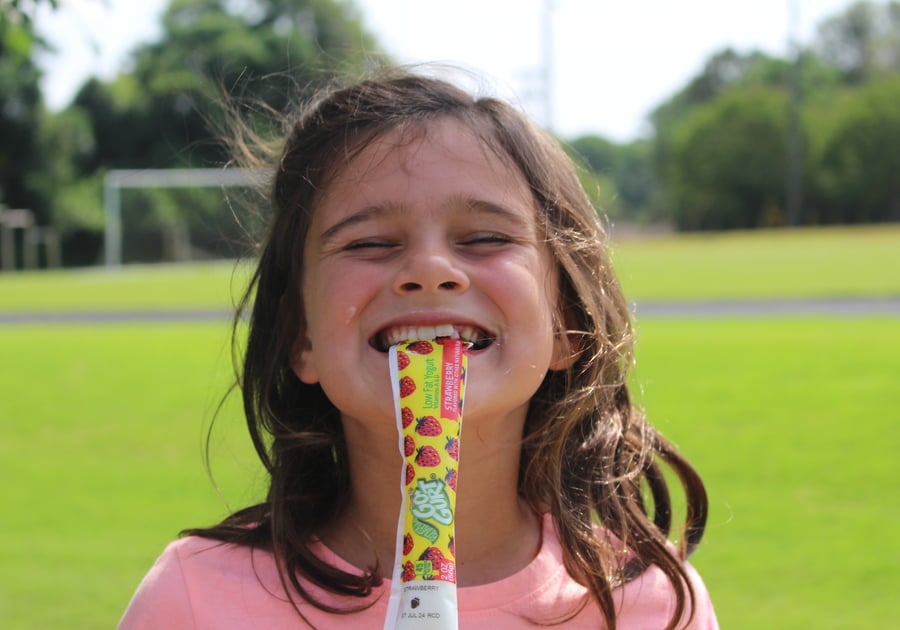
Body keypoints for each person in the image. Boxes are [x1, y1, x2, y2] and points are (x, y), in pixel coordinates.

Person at [119, 68, 717, 629]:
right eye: (371, 242)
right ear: (300, 335)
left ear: (566, 324)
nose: (430, 270)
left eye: (484, 238)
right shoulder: (196, 599)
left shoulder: (650, 603)